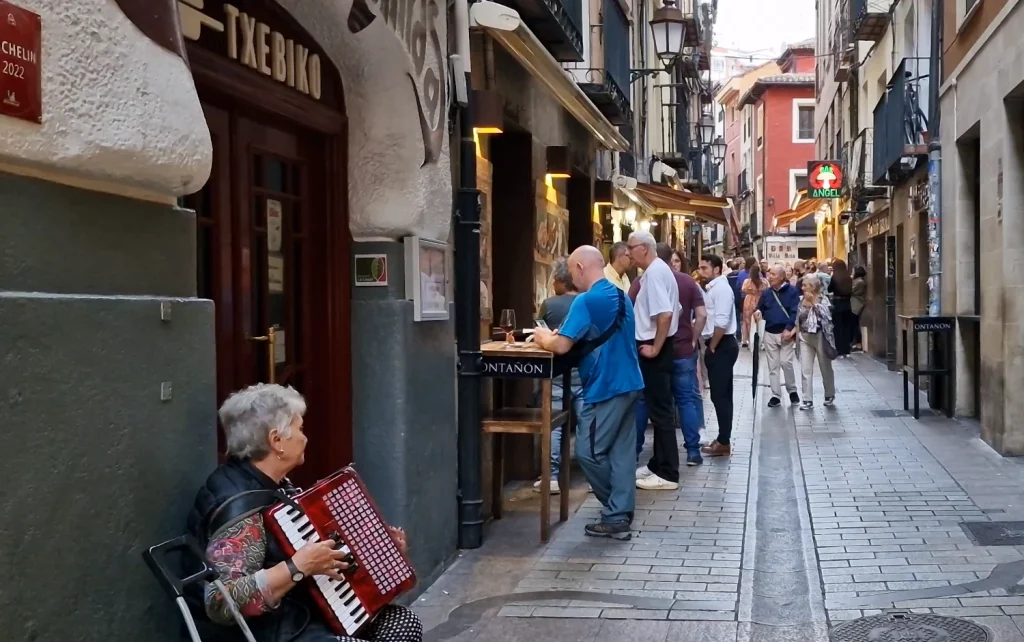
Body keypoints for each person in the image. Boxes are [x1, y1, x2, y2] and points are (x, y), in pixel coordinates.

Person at [187, 384, 422, 642]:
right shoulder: (239, 506)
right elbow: (222, 603)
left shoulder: (273, 484)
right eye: (299, 429)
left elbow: (312, 555)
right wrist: (298, 567)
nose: (305, 438)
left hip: (298, 616)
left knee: (403, 623)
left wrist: (378, 548)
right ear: (276, 441)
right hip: (262, 634)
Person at [533, 245, 644, 540]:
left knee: (589, 451)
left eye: (571, 270)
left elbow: (561, 345)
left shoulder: (586, 300)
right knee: (621, 454)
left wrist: (543, 336)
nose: (571, 277)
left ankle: (616, 512)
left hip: (605, 387)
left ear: (580, 268)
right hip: (631, 383)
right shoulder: (620, 295)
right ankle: (619, 514)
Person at [631, 244, 708, 469]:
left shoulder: (643, 281)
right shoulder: (686, 281)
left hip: (655, 350)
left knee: (646, 401)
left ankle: (635, 452)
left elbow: (631, 308)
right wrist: (693, 339)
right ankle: (693, 451)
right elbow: (702, 314)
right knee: (685, 400)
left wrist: (653, 345)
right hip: (683, 349)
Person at [625, 231, 681, 490]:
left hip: (654, 348)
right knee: (658, 408)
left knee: (660, 410)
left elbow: (665, 314)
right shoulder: (655, 272)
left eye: (631, 247)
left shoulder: (656, 273)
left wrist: (656, 347)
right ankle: (658, 463)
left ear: (644, 249)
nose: (628, 252)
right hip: (653, 345)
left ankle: (668, 473)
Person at [533, 259, 583, 495]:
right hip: (582, 372)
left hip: (555, 372)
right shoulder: (585, 303)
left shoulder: (549, 304)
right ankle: (593, 476)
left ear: (561, 281)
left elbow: (539, 331)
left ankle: (551, 477)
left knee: (553, 425)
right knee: (588, 424)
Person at [699, 255, 739, 458]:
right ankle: (723, 438)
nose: (701, 271)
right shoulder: (713, 288)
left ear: (716, 269)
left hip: (722, 344)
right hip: (720, 344)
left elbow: (722, 321)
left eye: (705, 268)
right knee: (720, 394)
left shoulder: (721, 289)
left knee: (721, 395)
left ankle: (724, 440)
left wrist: (713, 345)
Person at [752, 265, 800, 408]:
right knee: (773, 366)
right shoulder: (767, 293)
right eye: (769, 274)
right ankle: (775, 395)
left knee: (786, 362)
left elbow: (794, 311)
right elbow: (760, 307)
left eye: (773, 274)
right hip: (770, 332)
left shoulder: (792, 291)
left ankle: (792, 390)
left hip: (785, 332)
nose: (770, 277)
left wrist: (789, 329)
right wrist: (758, 312)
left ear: (781, 277)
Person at [798, 275, 836, 409]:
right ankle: (807, 399)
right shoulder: (800, 300)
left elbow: (826, 316)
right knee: (805, 369)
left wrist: (813, 303)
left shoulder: (823, 299)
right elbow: (797, 318)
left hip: (821, 336)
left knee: (825, 366)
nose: (802, 288)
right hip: (804, 336)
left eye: (805, 285)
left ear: (813, 287)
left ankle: (829, 394)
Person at [828, 259, 854, 357]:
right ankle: (846, 349)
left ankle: (839, 349)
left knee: (837, 327)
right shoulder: (848, 278)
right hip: (847, 304)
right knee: (846, 327)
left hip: (837, 304)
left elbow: (829, 289)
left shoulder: (835, 277)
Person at [740, 264, 766, 347]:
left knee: (747, 321)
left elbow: (743, 290)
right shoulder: (764, 281)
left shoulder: (747, 282)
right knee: (760, 320)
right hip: (760, 299)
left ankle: (747, 340)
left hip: (749, 301)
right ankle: (760, 340)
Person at [851, 265, 867, 351]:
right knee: (854, 324)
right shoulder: (857, 281)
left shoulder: (859, 282)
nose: (852, 273)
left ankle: (858, 344)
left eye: (853, 271)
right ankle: (856, 343)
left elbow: (850, 290)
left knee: (855, 324)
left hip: (856, 305)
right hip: (855, 304)